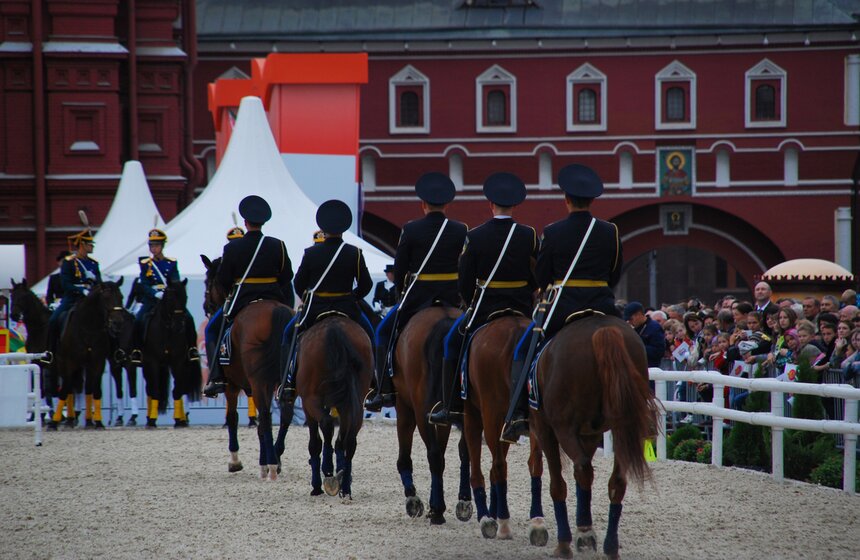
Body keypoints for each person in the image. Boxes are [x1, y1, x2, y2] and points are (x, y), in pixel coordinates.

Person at [501, 163, 622, 442]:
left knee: (523, 351)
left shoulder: (553, 232)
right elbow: (615, 272)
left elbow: (542, 274)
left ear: (566, 199)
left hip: (564, 306)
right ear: (592, 201)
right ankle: (644, 405)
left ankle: (518, 413)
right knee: (631, 345)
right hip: (603, 304)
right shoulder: (609, 231)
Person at [428, 171, 537, 427]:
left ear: (490, 205)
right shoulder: (529, 234)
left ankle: (451, 405)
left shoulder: (475, 236)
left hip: (485, 307)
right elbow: (538, 273)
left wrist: (469, 301)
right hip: (521, 307)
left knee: (450, 343)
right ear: (514, 206)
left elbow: (465, 279)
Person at [365, 172, 468, 412]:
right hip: (453, 297)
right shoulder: (460, 229)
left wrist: (401, 294)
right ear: (446, 204)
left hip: (418, 298)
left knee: (382, 332)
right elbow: (465, 267)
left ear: (423, 204)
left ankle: (384, 390)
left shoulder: (411, 229)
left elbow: (400, 269)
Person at [280, 200, 375, 403]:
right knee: (371, 335)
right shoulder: (354, 253)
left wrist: (309, 297)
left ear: (322, 228)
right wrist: (352, 296)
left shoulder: (311, 253)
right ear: (344, 229)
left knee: (288, 336)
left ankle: (288, 383)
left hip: (316, 308)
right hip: (347, 308)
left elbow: (299, 283)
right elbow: (366, 285)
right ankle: (376, 382)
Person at [203, 195, 295, 398]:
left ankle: (216, 377)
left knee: (212, 330)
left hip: (242, 299)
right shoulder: (277, 245)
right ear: (263, 222)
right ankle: (292, 376)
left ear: (245, 222)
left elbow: (224, 279)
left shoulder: (232, 248)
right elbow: (287, 275)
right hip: (274, 297)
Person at [130, 229, 198, 364]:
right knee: (138, 320)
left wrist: (168, 291)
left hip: (169, 298)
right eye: (151, 245)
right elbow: (144, 284)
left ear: (162, 246)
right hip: (152, 300)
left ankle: (192, 348)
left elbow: (175, 280)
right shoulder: (145, 264)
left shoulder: (171, 263)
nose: (153, 248)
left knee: (189, 318)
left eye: (156, 245)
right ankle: (137, 351)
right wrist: (155, 293)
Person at [47, 229, 101, 356]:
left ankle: (115, 352)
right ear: (82, 245)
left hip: (91, 301)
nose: (92, 246)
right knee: (53, 320)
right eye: (89, 244)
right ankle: (51, 352)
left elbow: (99, 282)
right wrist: (82, 290)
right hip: (72, 299)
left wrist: (94, 288)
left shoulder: (94, 263)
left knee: (110, 319)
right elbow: (66, 284)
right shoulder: (69, 262)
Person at [625, 301, 666, 369]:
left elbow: (659, 351)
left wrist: (637, 346)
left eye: (631, 319)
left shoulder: (654, 327)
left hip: (650, 369)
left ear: (639, 314)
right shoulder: (632, 329)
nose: (629, 322)